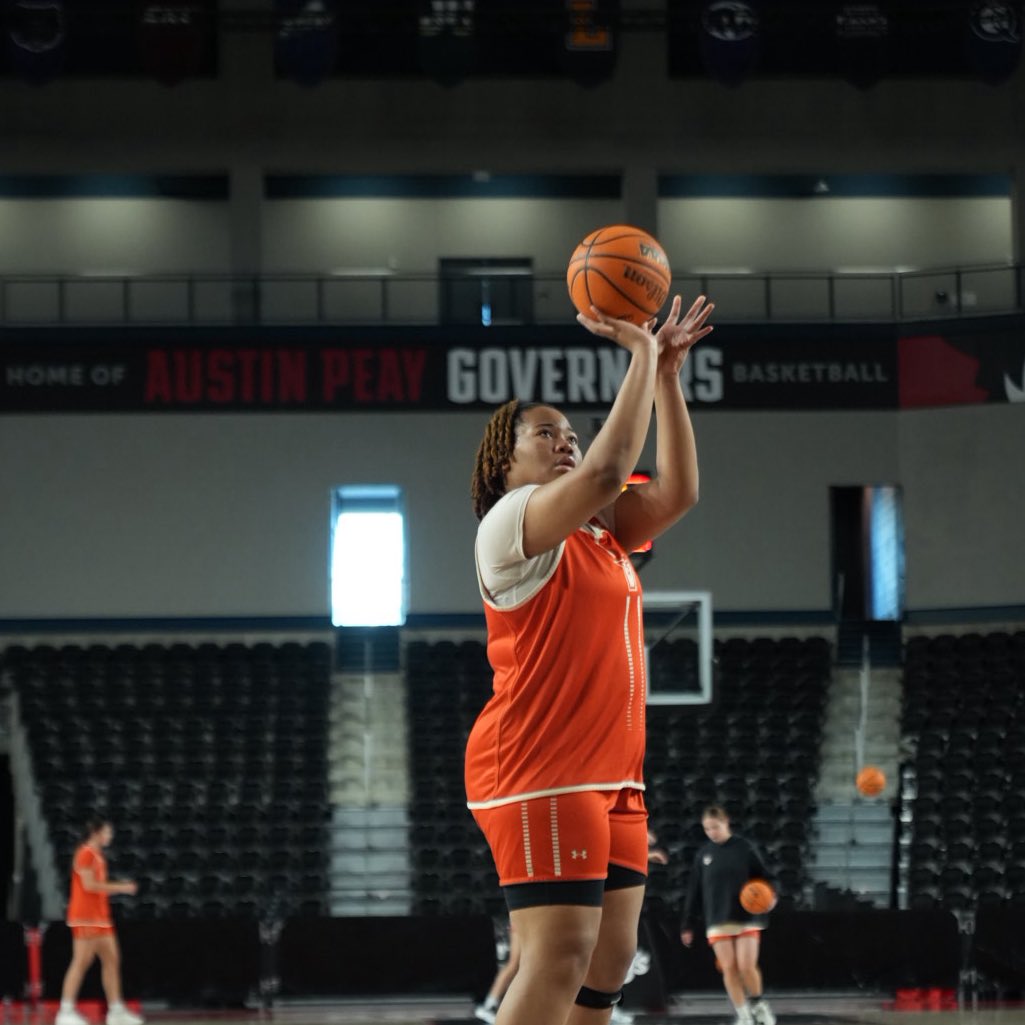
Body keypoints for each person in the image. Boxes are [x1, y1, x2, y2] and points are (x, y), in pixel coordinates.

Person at [465, 292, 714, 1025]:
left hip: (611, 771)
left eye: (570, 432)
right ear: (502, 460)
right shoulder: (506, 521)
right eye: (546, 433)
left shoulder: (596, 534)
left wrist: (666, 375)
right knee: (559, 955)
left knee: (607, 965)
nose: (565, 441)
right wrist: (639, 353)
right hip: (537, 765)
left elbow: (678, 491)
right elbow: (608, 473)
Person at [680, 806, 776, 1025]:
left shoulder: (745, 848)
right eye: (707, 829)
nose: (711, 832)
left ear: (726, 822)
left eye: (715, 827)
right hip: (717, 918)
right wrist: (687, 924)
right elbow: (694, 892)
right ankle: (743, 1015)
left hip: (747, 917)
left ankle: (759, 1006)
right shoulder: (704, 854)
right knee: (729, 969)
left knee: (746, 966)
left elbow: (766, 877)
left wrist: (771, 897)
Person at [56, 817, 144, 1025]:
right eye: (106, 832)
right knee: (81, 962)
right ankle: (65, 1011)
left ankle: (116, 1011)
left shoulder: (97, 855)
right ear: (95, 833)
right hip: (85, 916)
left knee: (112, 960)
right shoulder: (85, 853)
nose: (109, 836)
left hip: (100, 917)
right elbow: (90, 886)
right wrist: (122, 888)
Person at [475, 920, 522, 1023]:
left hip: (526, 921)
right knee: (514, 964)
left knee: (517, 966)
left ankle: (494, 1006)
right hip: (523, 921)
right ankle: (489, 1007)